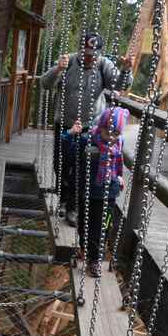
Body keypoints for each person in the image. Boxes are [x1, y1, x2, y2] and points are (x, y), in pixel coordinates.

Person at [40, 32, 133, 225]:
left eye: (93, 53)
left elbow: (120, 84)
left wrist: (125, 70)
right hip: (65, 124)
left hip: (91, 128)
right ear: (80, 50)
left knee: (81, 166)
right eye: (87, 53)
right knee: (62, 163)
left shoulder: (103, 65)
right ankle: (64, 200)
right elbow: (45, 83)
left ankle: (73, 207)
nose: (90, 57)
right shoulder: (68, 62)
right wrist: (57, 69)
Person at [66, 106, 129, 278]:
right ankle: (84, 248)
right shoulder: (87, 140)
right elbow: (70, 156)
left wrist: (118, 177)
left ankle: (95, 261)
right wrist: (71, 135)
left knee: (101, 227)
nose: (111, 137)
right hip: (87, 191)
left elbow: (117, 164)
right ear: (100, 127)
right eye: (108, 132)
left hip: (108, 192)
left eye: (115, 133)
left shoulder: (119, 143)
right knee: (84, 224)